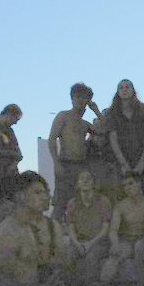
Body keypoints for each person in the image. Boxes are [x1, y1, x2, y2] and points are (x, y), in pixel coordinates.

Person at [48, 83, 104, 219]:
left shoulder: (85, 124)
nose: (80, 100)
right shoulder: (63, 116)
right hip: (66, 164)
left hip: (82, 166)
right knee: (61, 202)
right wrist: (56, 163)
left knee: (80, 201)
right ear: (72, 98)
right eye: (77, 97)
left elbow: (104, 131)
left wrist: (96, 111)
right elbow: (52, 140)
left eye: (84, 98)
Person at [64, 168, 112, 286]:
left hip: (98, 242)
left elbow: (105, 229)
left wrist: (90, 244)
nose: (85, 181)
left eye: (88, 178)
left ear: (93, 183)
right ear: (77, 184)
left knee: (91, 262)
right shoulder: (72, 203)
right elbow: (70, 227)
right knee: (67, 259)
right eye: (81, 179)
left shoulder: (103, 201)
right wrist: (76, 243)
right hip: (79, 241)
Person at [104, 79, 144, 194]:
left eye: (127, 87)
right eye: (121, 87)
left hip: (143, 158)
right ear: (117, 92)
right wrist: (124, 164)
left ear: (133, 90)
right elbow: (113, 139)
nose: (124, 90)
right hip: (121, 160)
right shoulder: (112, 113)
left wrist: (141, 163)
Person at [100, 173, 144, 284]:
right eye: (124, 186)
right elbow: (113, 230)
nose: (127, 188)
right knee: (115, 256)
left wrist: (143, 241)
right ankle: (103, 285)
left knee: (140, 247)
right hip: (127, 240)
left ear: (139, 183)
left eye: (131, 184)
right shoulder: (121, 206)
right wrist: (115, 244)